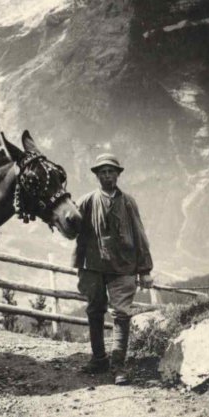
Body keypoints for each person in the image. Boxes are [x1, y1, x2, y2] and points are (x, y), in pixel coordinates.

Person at [72, 153, 153, 385]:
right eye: (103, 172)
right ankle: (98, 359)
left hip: (123, 266)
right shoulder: (86, 201)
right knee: (94, 310)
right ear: (97, 175)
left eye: (111, 171)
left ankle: (119, 366)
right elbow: (72, 227)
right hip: (93, 266)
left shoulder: (128, 202)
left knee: (121, 314)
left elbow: (139, 234)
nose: (107, 175)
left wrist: (144, 268)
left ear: (118, 174)